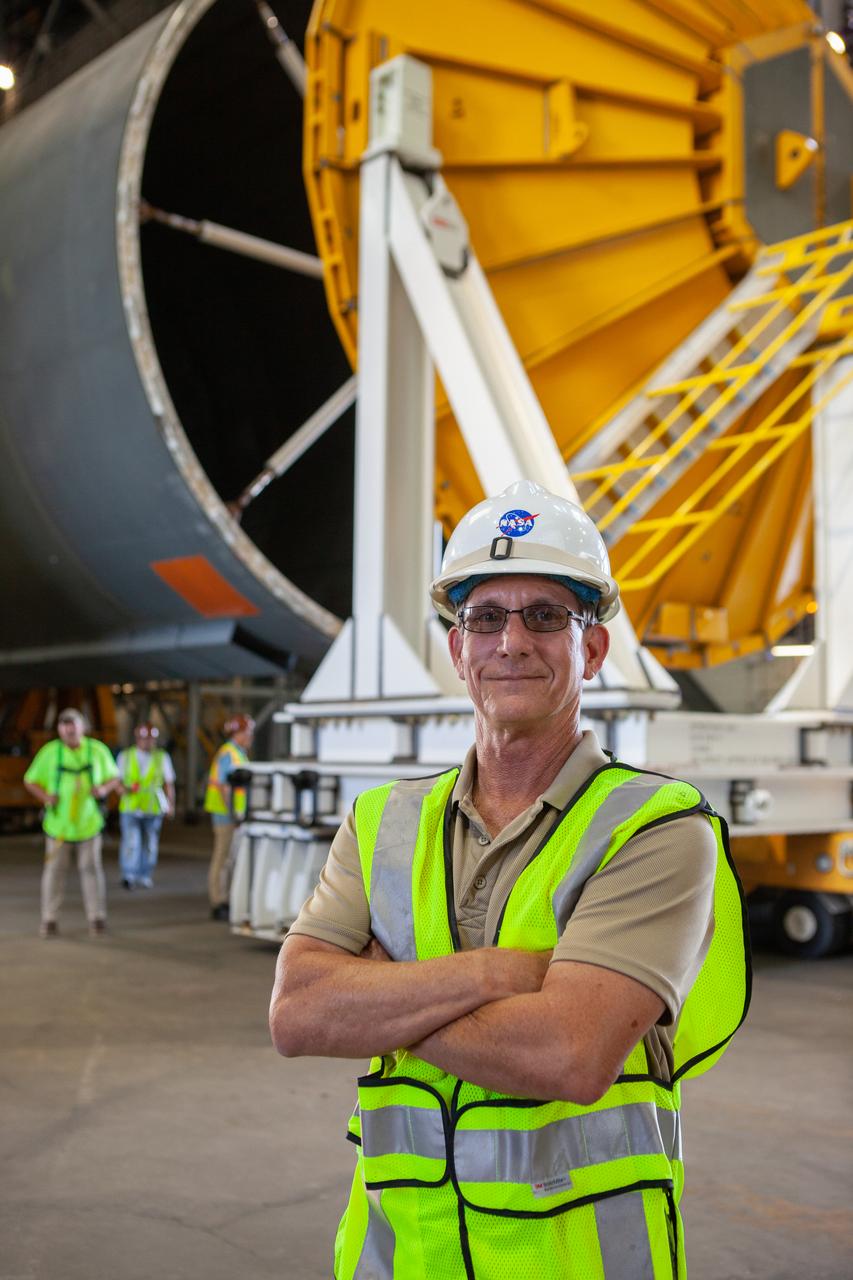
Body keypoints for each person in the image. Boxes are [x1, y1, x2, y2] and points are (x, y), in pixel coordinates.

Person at [269, 479, 750, 1279]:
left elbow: (567, 1053)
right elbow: (295, 1016)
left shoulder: (657, 828)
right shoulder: (383, 820)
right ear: (457, 649)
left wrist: (376, 1001)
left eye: (545, 616)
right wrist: (492, 975)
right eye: (483, 618)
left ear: (591, 649)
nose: (510, 641)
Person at [24, 707, 121, 939]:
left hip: (89, 825)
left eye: (73, 724)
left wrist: (103, 789)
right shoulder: (50, 752)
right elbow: (30, 780)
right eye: (64, 725)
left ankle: (96, 918)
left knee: (91, 872)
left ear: (82, 727)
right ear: (59, 729)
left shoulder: (97, 751)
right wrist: (46, 798)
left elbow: (115, 776)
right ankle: (49, 919)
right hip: (58, 827)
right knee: (53, 873)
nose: (69, 729)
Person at [204, 713, 255, 921]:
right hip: (226, 816)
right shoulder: (229, 754)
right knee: (222, 859)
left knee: (228, 859)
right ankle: (218, 902)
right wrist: (233, 814)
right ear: (239, 733)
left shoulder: (236, 753)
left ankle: (225, 899)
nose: (250, 736)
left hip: (231, 815)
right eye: (248, 732)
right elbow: (225, 787)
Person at [116, 722, 176, 889]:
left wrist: (171, 804)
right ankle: (129, 874)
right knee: (131, 841)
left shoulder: (161, 757)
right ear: (137, 739)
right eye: (144, 738)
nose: (147, 742)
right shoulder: (126, 756)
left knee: (150, 843)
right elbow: (117, 780)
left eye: (151, 739)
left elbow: (168, 783)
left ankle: (144, 874)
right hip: (131, 806)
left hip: (153, 808)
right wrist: (121, 790)